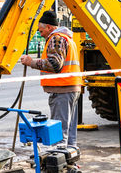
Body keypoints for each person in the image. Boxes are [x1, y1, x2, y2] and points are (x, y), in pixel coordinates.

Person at [21, 10, 82, 148]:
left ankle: (59, 161)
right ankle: (69, 160)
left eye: (41, 31)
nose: (40, 34)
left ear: (49, 27)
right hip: (71, 87)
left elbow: (55, 64)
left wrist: (31, 62)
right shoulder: (67, 38)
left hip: (62, 89)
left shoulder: (56, 38)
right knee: (69, 132)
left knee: (59, 133)